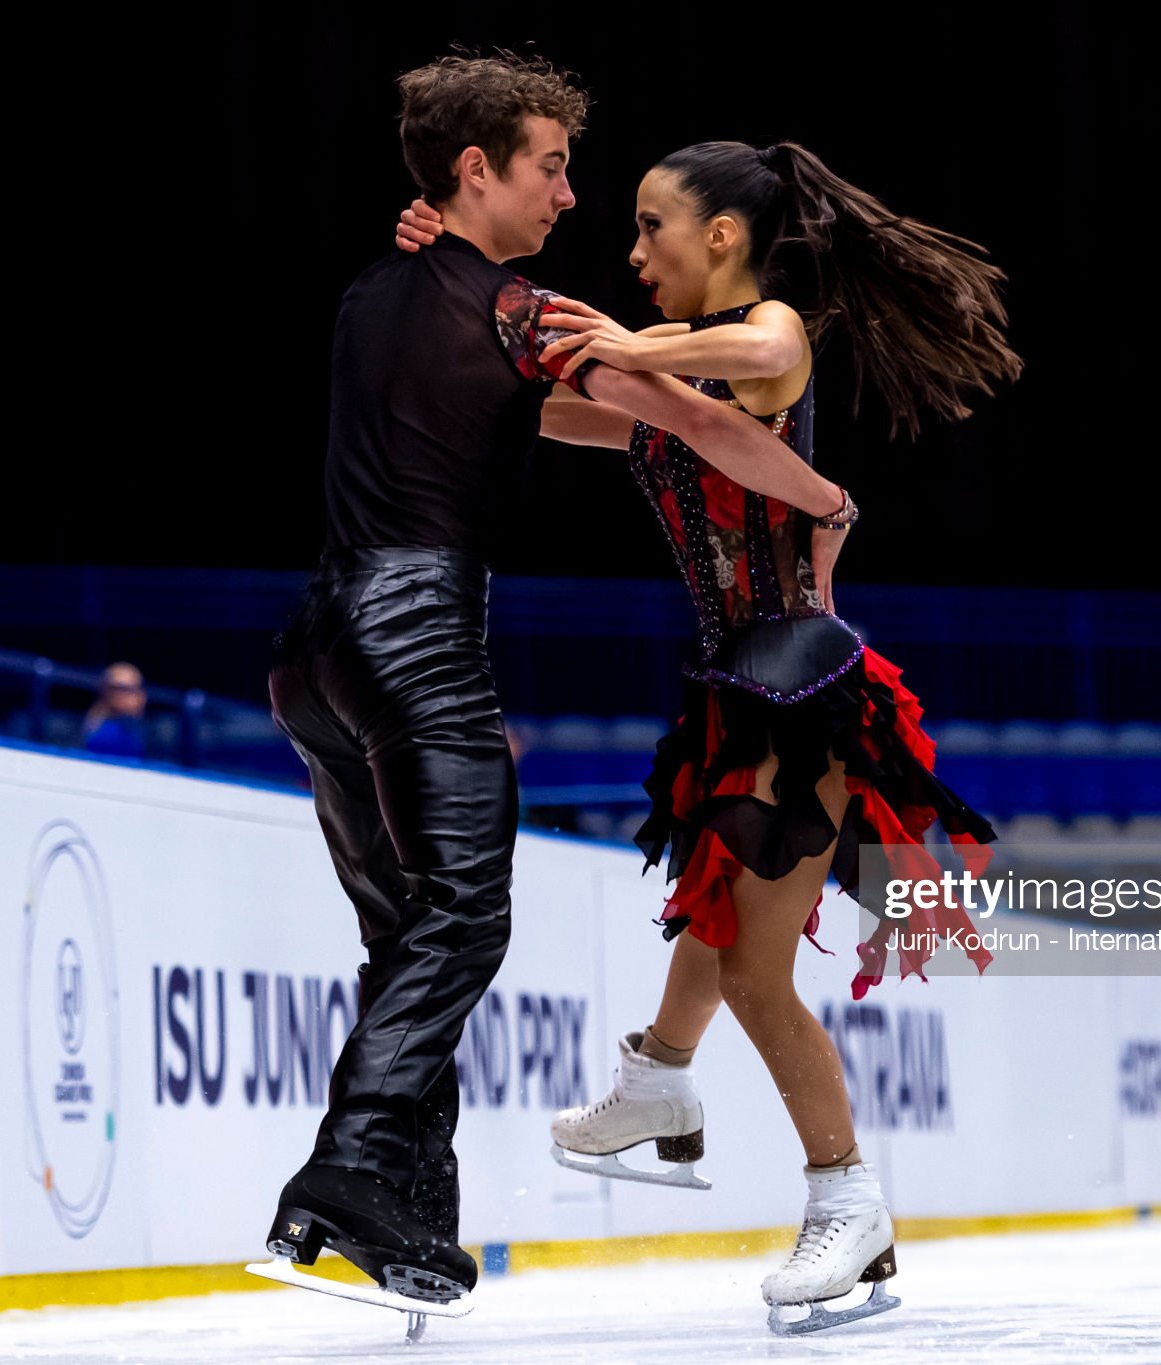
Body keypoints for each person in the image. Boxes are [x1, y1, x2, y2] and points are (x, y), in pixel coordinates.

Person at [395, 138, 1019, 1330]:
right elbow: (537, 403)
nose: (633, 253)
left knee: (750, 970)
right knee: (712, 911)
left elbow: (768, 351)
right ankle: (658, 1085)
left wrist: (630, 349)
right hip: (734, 685)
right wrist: (450, 283)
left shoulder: (764, 339)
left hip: (800, 687)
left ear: (720, 237)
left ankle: (848, 1202)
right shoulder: (667, 389)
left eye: (651, 228)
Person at [264, 57, 855, 1315]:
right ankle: (358, 1178)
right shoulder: (526, 315)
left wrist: (582, 334)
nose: (577, 202)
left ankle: (419, 1200)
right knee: (469, 921)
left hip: (320, 649)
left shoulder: (377, 290)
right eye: (552, 168)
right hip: (432, 637)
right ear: (475, 169)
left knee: (416, 934)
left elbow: (673, 405)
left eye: (633, 214)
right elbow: (671, 420)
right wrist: (825, 498)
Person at [82, 662, 149, 757]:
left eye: (139, 688)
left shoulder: (133, 731)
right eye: (128, 690)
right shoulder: (107, 736)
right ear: (108, 692)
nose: (140, 696)